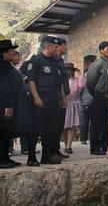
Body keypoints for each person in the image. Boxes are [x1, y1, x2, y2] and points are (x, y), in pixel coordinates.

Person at [26, 36, 65, 164]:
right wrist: (36, 97)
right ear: (47, 47)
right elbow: (31, 80)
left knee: (50, 129)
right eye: (55, 47)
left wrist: (62, 98)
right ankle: (31, 157)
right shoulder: (36, 61)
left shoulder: (55, 62)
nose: (57, 49)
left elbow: (59, 83)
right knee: (36, 128)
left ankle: (46, 156)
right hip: (40, 99)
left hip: (53, 99)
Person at [86, 41, 108, 156]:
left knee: (107, 123)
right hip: (99, 96)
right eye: (107, 48)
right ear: (101, 50)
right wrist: (96, 93)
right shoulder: (97, 64)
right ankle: (95, 147)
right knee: (97, 123)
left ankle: (105, 145)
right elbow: (90, 82)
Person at [0, 39, 22, 168]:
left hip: (10, 102)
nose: (14, 52)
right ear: (5, 52)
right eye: (11, 51)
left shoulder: (6, 65)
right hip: (3, 104)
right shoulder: (1, 67)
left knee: (6, 132)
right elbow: (3, 87)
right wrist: (7, 105)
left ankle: (5, 158)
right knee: (2, 131)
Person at [52, 38, 70, 159]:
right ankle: (52, 151)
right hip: (56, 97)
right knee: (54, 124)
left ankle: (56, 150)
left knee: (59, 125)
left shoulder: (60, 60)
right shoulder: (53, 60)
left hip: (62, 96)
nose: (66, 48)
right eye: (64, 45)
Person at [63, 63, 84, 154]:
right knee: (64, 126)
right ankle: (65, 144)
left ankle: (69, 146)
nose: (68, 72)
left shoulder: (76, 80)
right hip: (64, 104)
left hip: (74, 103)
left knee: (71, 126)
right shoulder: (62, 81)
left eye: (70, 70)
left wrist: (80, 75)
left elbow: (82, 85)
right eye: (67, 70)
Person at [79, 55, 96, 144]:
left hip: (94, 102)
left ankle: (91, 138)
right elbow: (80, 90)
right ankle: (83, 138)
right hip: (85, 102)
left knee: (93, 122)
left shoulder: (95, 77)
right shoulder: (83, 78)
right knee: (84, 122)